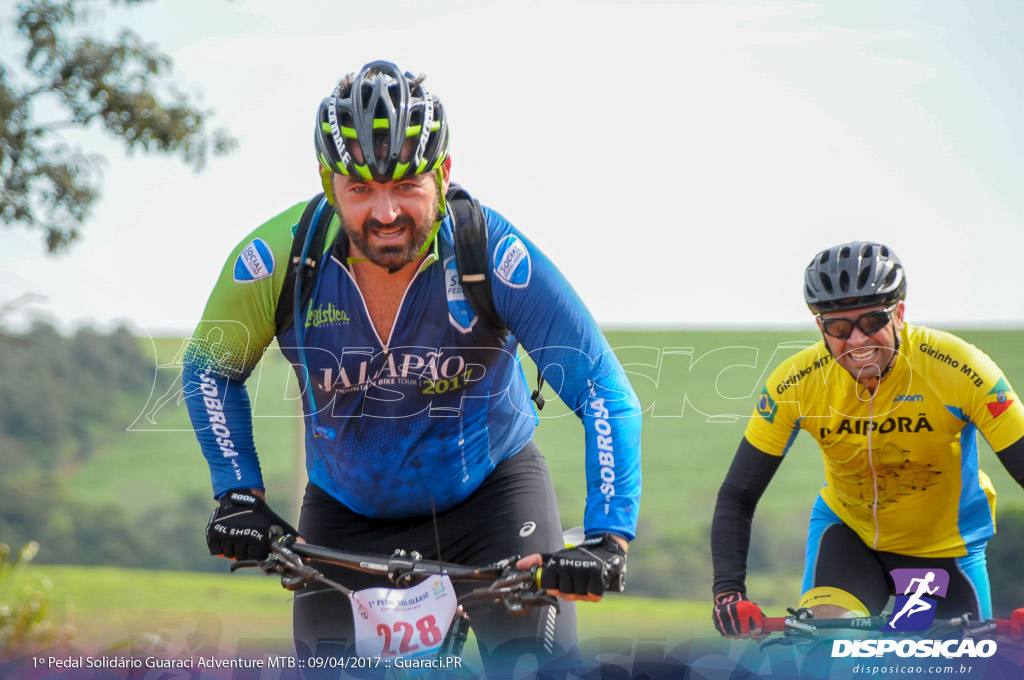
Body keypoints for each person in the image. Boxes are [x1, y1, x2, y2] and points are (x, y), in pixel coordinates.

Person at [181, 60, 642, 673]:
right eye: (361, 189)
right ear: (328, 182)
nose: (386, 212)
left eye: (406, 186)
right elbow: (209, 369)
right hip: (345, 516)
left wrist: (607, 537)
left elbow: (602, 388)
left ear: (443, 172)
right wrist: (237, 493)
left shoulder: (488, 252)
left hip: (492, 503)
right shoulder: (279, 259)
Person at [710, 241, 1024, 637]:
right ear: (820, 327)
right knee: (826, 642)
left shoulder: (961, 368)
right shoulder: (797, 382)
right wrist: (728, 594)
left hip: (941, 550)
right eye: (838, 327)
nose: (857, 341)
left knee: (946, 660)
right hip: (850, 537)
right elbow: (738, 494)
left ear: (900, 314)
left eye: (872, 322)